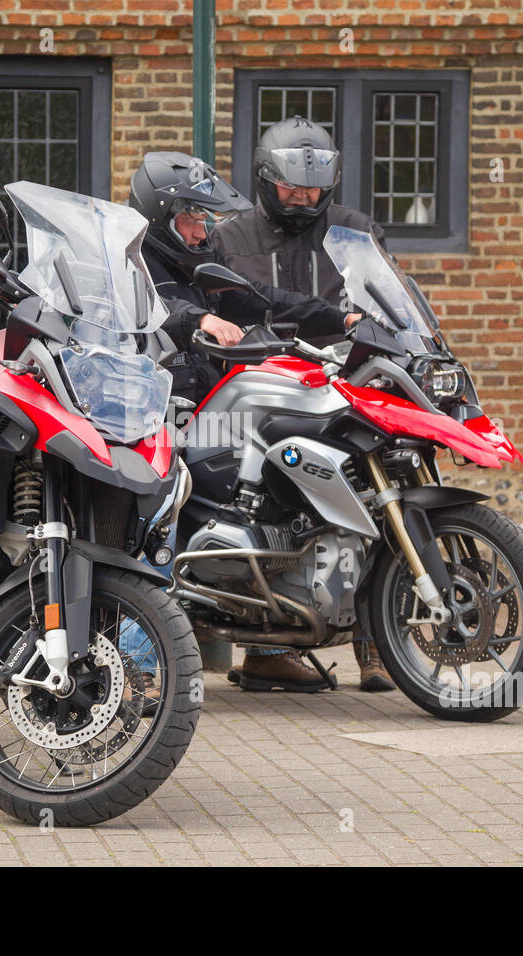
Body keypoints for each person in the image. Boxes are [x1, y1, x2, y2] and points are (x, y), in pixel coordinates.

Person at [128, 150, 359, 693]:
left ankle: (269, 645)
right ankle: (137, 662)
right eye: (189, 219)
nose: (200, 230)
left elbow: (264, 301)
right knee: (163, 507)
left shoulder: (198, 263)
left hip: (210, 411)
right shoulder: (132, 264)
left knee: (279, 479)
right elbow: (157, 311)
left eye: (204, 220)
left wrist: (342, 317)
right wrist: (201, 318)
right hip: (155, 417)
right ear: (160, 216)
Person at [212, 116, 397, 694]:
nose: (303, 196)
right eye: (292, 185)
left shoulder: (354, 230)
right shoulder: (230, 236)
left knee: (379, 490)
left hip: (347, 384)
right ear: (267, 179)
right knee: (268, 506)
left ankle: (378, 643)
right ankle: (266, 647)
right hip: (264, 390)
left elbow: (388, 300)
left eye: (314, 187)